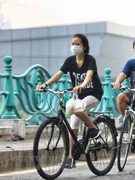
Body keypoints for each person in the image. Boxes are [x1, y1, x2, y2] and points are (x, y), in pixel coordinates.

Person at [36, 33, 103, 168]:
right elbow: (58, 74)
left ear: (84, 46)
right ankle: (70, 157)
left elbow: (89, 74)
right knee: (73, 125)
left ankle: (93, 128)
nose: (74, 46)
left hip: (93, 94)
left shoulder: (90, 60)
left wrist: (82, 85)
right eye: (73, 44)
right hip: (78, 96)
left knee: (76, 108)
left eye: (77, 44)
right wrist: (45, 85)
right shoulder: (70, 61)